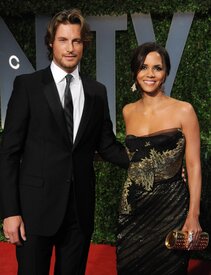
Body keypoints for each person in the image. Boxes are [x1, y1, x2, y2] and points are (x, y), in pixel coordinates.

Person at [0, 9, 129, 275]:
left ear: (84, 44)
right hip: (34, 211)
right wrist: (10, 212)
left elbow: (107, 146)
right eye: (63, 40)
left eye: (76, 41)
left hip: (79, 213)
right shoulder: (27, 86)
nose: (70, 48)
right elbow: (9, 154)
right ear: (51, 43)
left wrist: (158, 163)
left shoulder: (97, 91)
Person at [116, 42, 202, 275]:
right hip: (132, 208)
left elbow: (193, 165)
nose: (150, 74)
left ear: (166, 73)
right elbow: (136, 157)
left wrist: (193, 215)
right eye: (144, 67)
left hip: (171, 207)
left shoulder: (184, 110)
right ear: (135, 72)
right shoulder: (128, 111)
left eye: (157, 68)